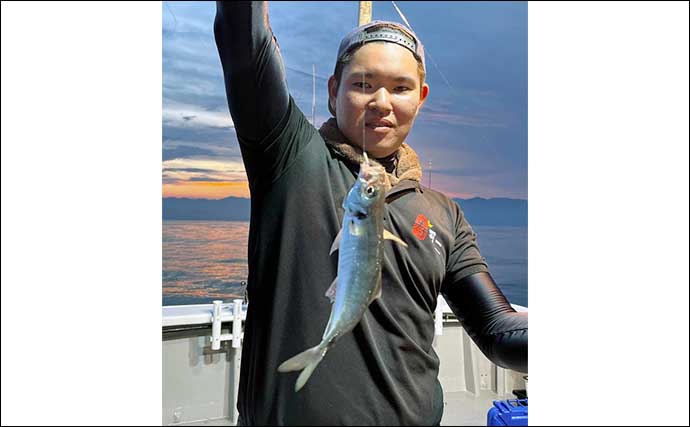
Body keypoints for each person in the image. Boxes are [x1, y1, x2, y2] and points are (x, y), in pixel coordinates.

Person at [214, 2, 527, 425]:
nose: (381, 102)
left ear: (421, 98)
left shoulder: (445, 215)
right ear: (332, 91)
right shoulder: (288, 159)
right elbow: (244, 46)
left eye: (400, 88)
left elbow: (497, 330)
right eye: (362, 84)